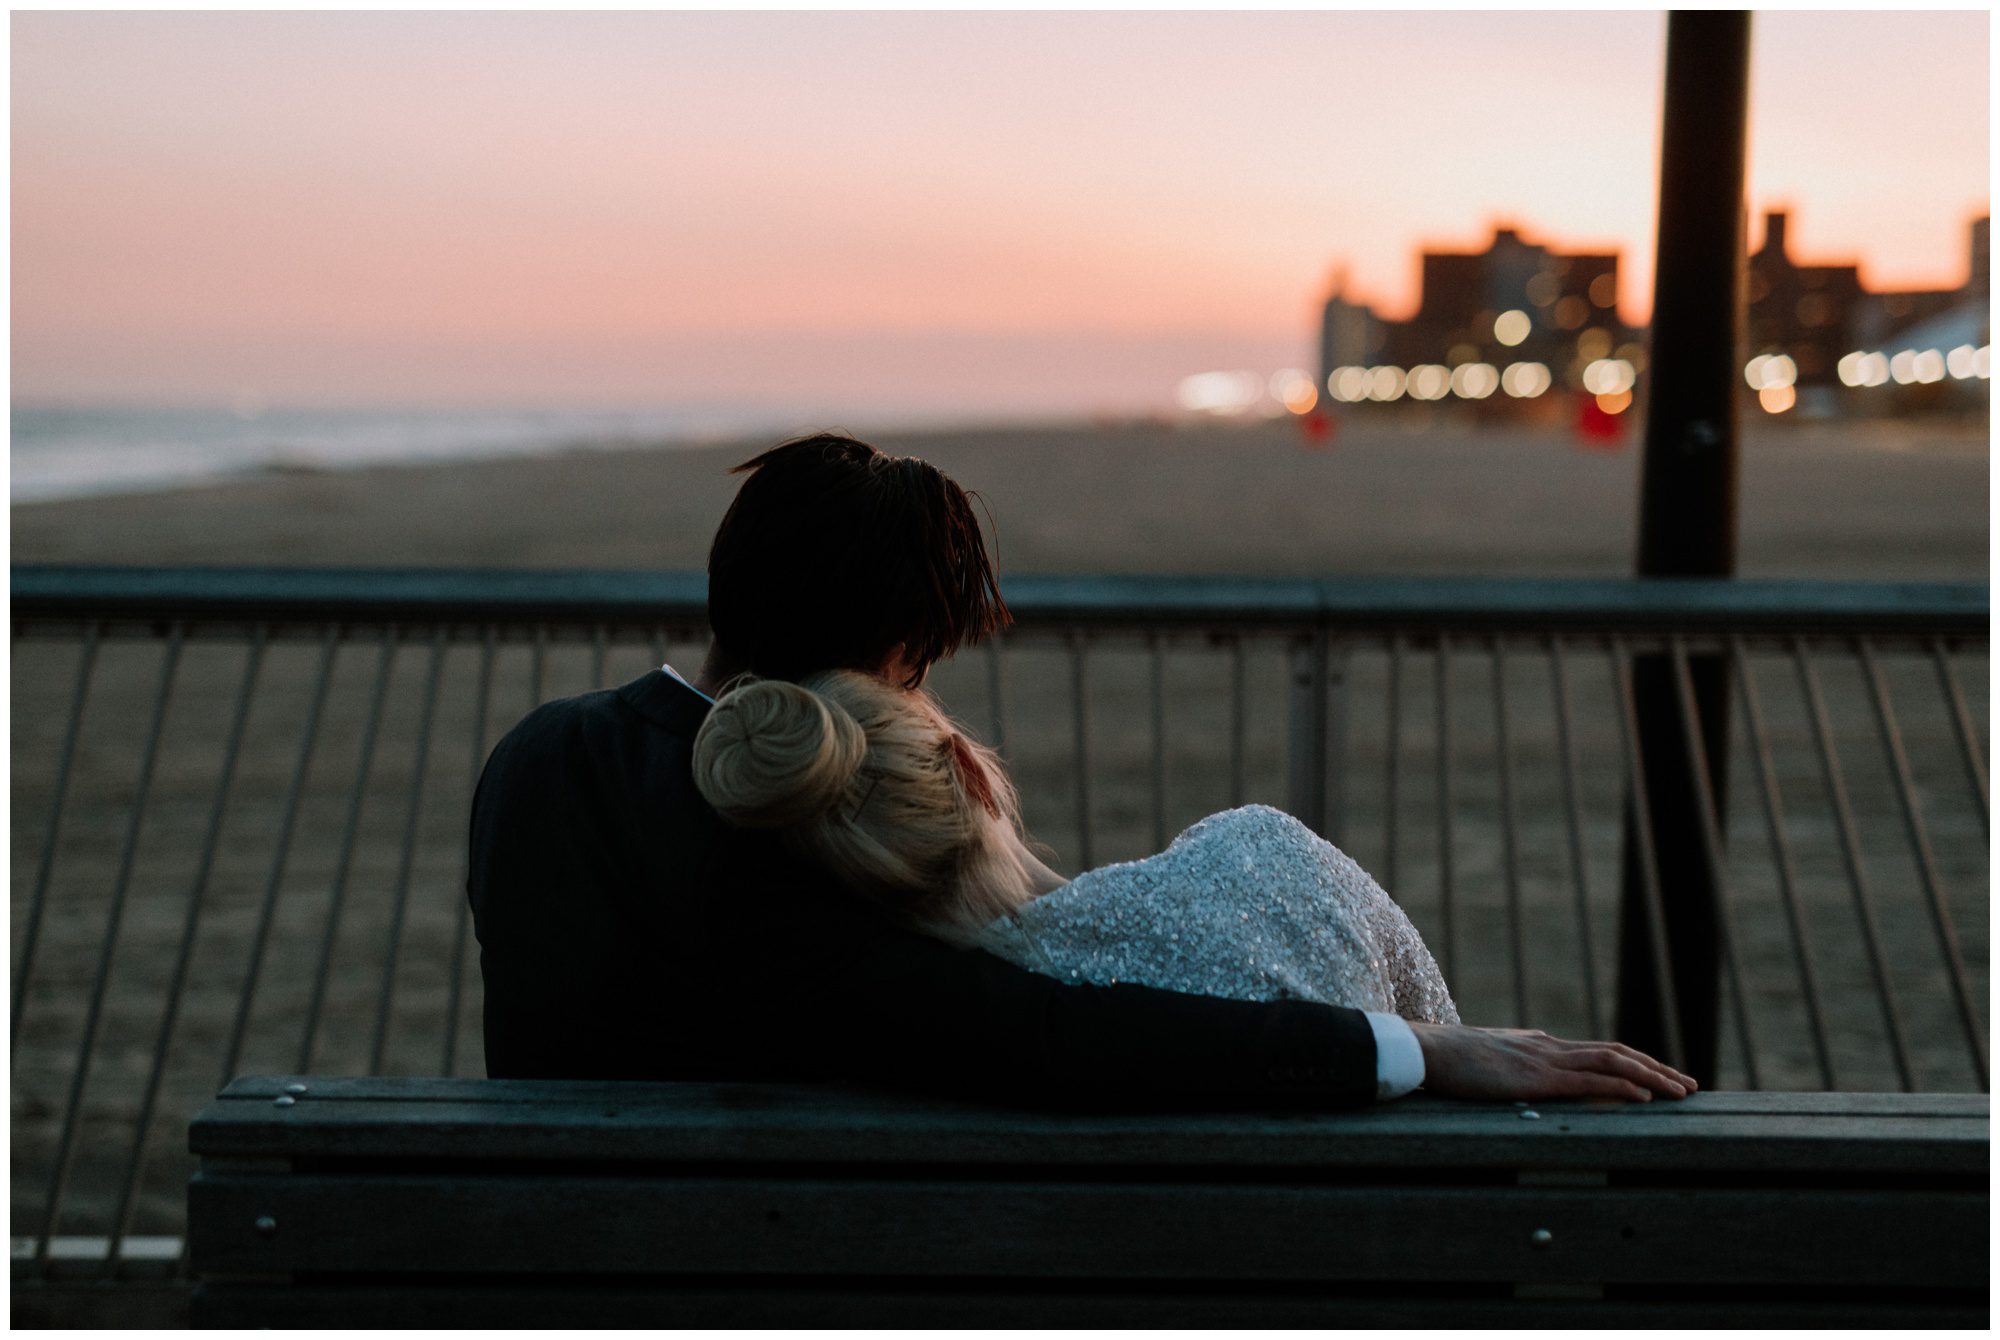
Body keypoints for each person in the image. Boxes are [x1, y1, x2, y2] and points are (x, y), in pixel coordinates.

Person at [468, 432, 1694, 1107]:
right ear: (901, 653)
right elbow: (1042, 1034)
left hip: (557, 1258)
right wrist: (1421, 1047)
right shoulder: (808, 827)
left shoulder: (537, 763)